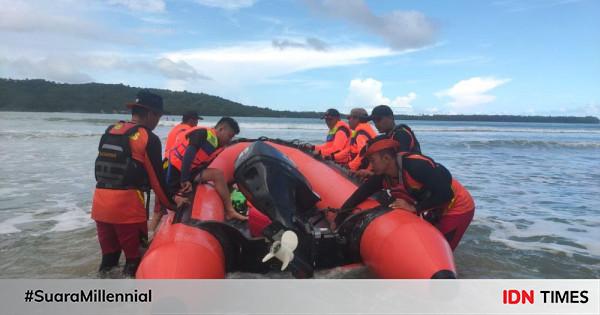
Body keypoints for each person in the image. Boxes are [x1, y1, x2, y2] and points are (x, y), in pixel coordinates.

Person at [91, 90, 183, 276]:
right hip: (127, 209)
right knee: (135, 261)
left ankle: (101, 299)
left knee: (109, 260)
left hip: (100, 205)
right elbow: (156, 180)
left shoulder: (111, 130)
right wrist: (173, 205)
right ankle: (132, 303)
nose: (158, 122)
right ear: (151, 114)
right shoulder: (148, 137)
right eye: (158, 116)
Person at [341, 136, 475, 251]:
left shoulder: (415, 166)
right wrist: (339, 218)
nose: (370, 166)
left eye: (372, 161)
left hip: (457, 207)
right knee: (426, 243)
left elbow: (446, 194)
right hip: (436, 207)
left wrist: (414, 208)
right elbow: (360, 195)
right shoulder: (383, 176)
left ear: (387, 158)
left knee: (441, 248)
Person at [168, 117, 247, 221]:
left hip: (191, 171)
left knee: (218, 175)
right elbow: (189, 154)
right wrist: (184, 179)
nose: (230, 140)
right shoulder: (202, 133)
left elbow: (203, 163)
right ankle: (230, 211)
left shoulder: (217, 144)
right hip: (177, 171)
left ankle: (229, 211)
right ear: (221, 129)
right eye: (229, 136)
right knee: (217, 174)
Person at [149, 111, 202, 231]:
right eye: (196, 121)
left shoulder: (176, 128)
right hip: (172, 169)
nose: (197, 123)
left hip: (165, 165)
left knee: (159, 210)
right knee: (161, 210)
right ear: (191, 120)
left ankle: (151, 236)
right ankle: (151, 239)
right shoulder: (188, 131)